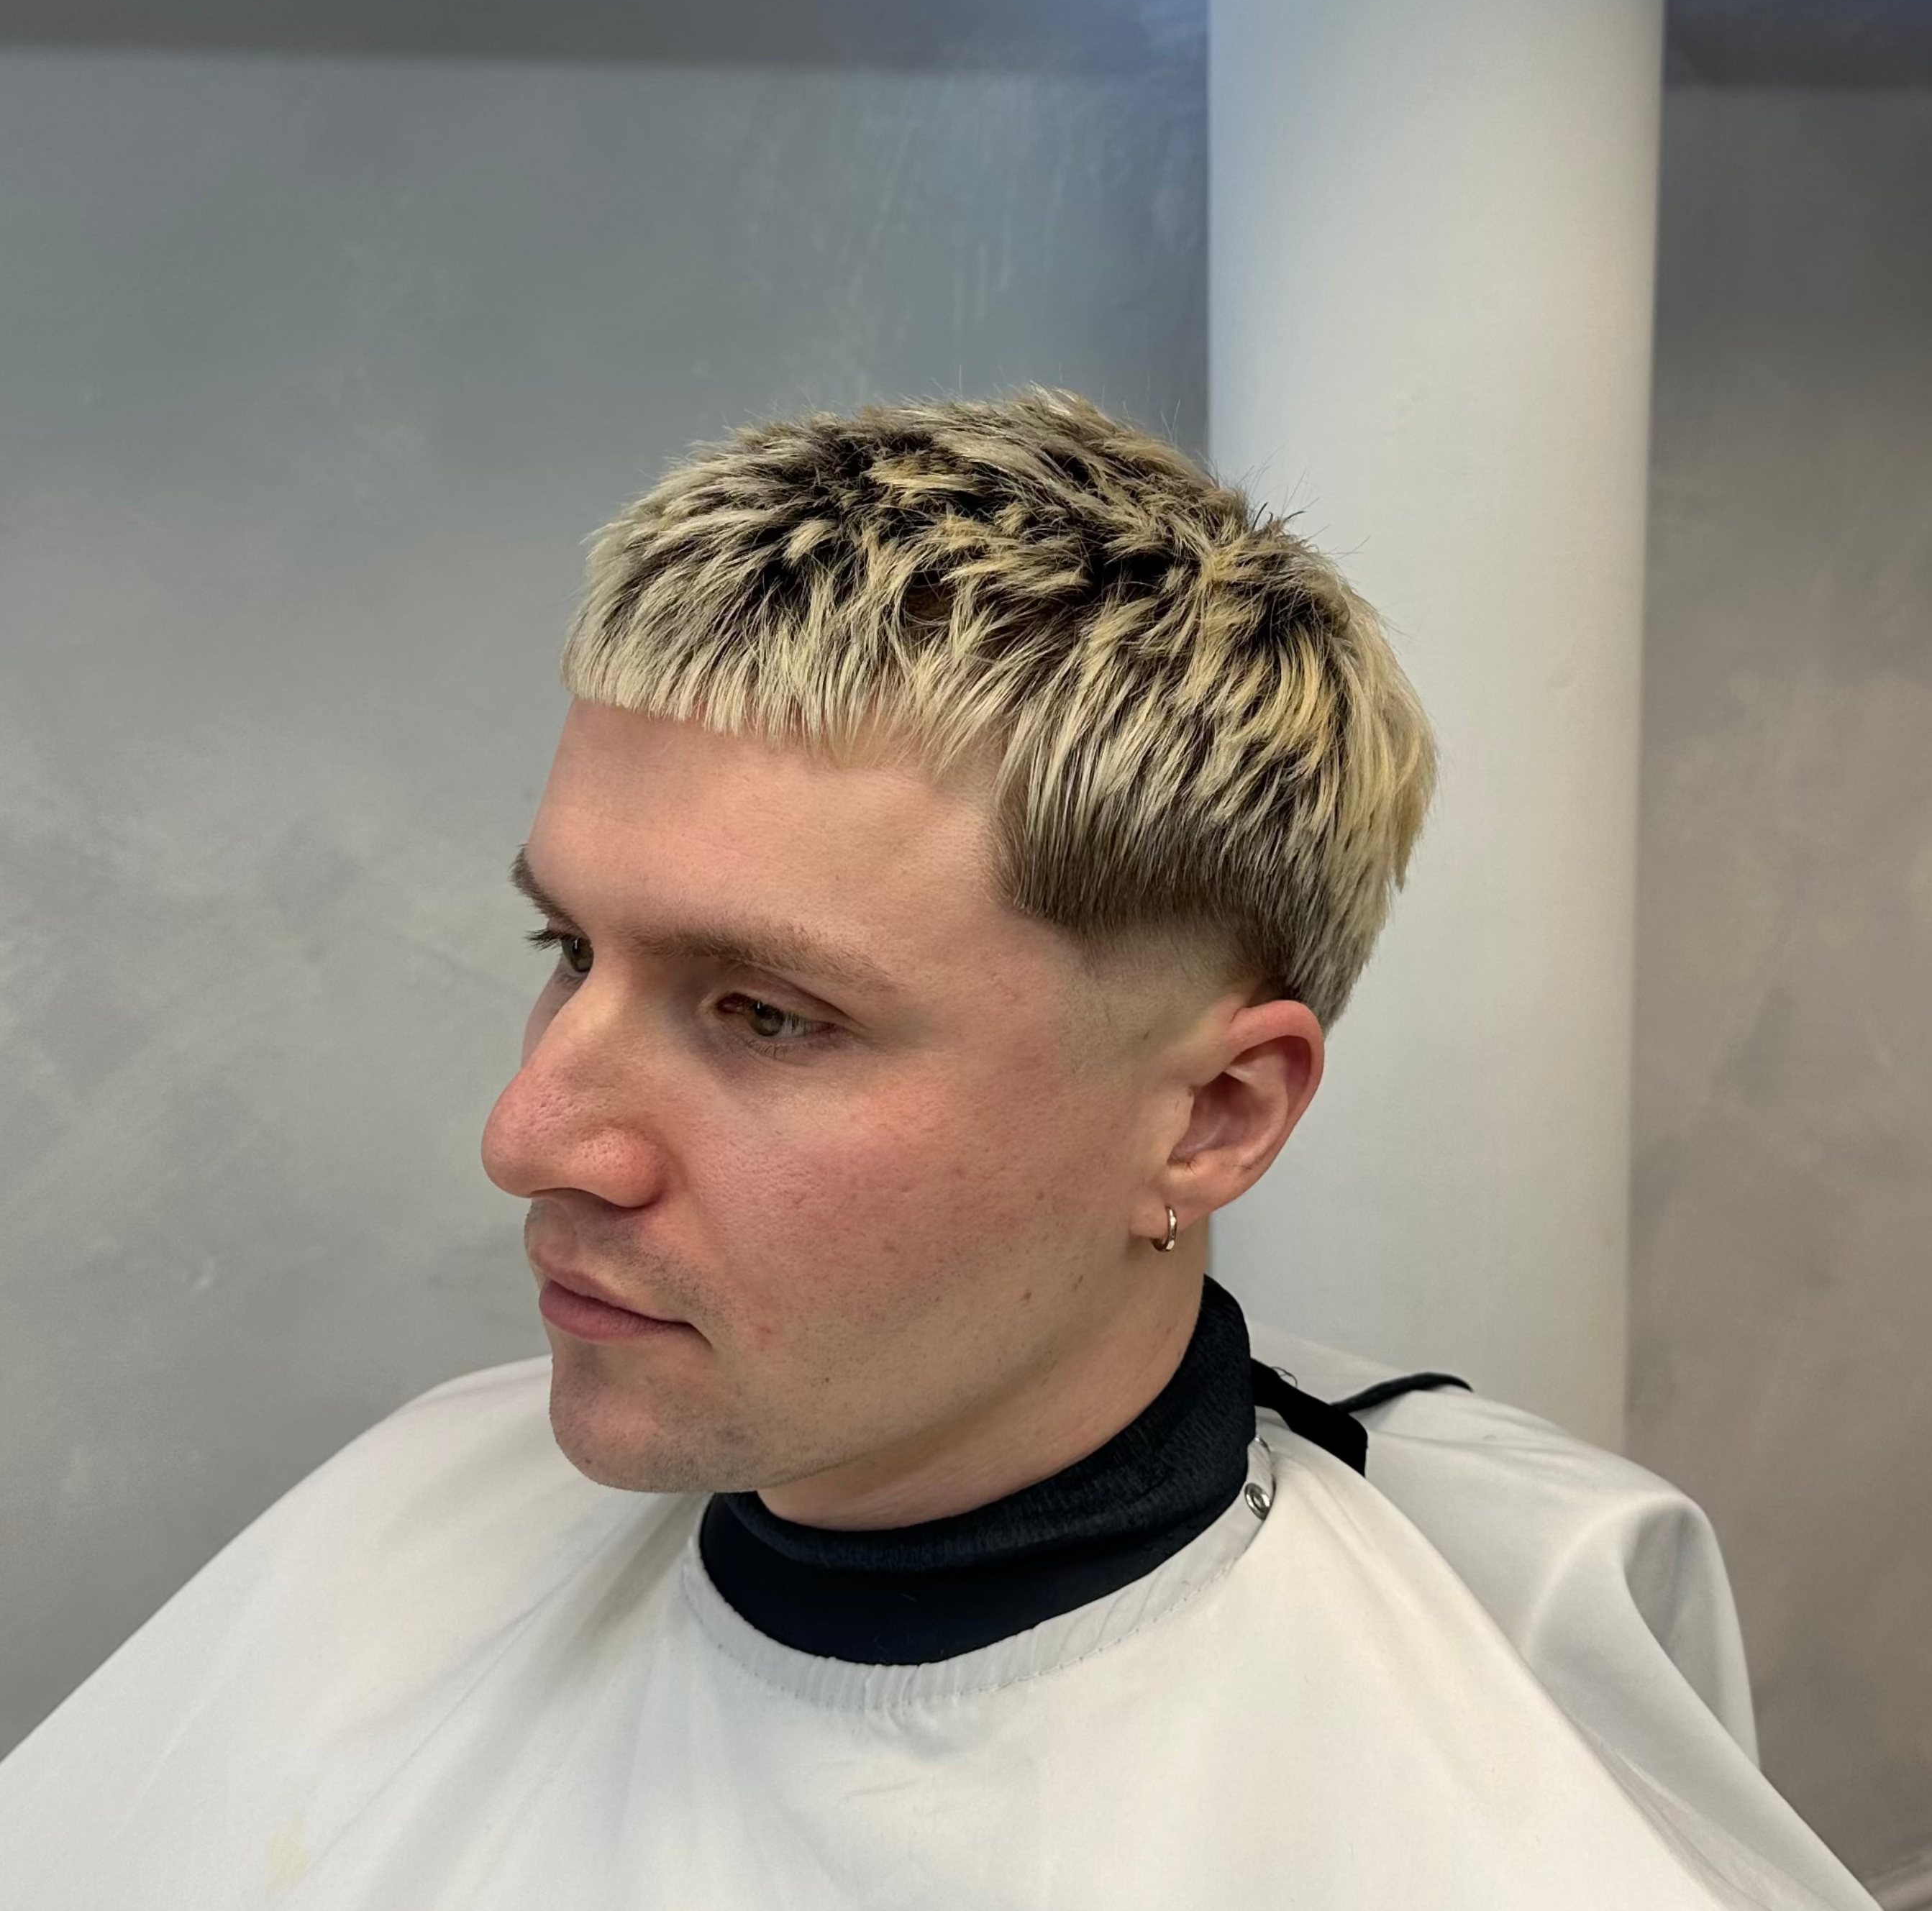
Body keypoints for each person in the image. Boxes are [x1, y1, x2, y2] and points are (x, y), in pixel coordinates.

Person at [0, 392, 1876, 1909]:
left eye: (764, 1013)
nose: (529, 1135)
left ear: (1210, 1119)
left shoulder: (1483, 1812)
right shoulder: (397, 1534)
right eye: (565, 950)